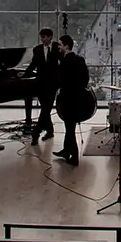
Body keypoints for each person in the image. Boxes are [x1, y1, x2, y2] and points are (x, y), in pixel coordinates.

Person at [53, 35, 90, 166]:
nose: (59, 46)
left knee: (69, 129)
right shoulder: (80, 60)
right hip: (79, 98)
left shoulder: (64, 62)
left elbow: (60, 81)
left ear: (66, 46)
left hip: (68, 100)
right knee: (70, 126)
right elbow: (86, 78)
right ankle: (66, 151)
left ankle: (74, 157)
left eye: (60, 44)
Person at [24, 28, 59, 144]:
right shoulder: (37, 49)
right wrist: (24, 74)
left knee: (45, 109)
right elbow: (33, 64)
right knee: (45, 109)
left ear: (50, 37)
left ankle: (36, 133)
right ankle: (50, 131)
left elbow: (62, 62)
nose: (42, 39)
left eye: (44, 37)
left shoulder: (56, 47)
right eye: (41, 37)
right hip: (40, 84)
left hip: (52, 84)